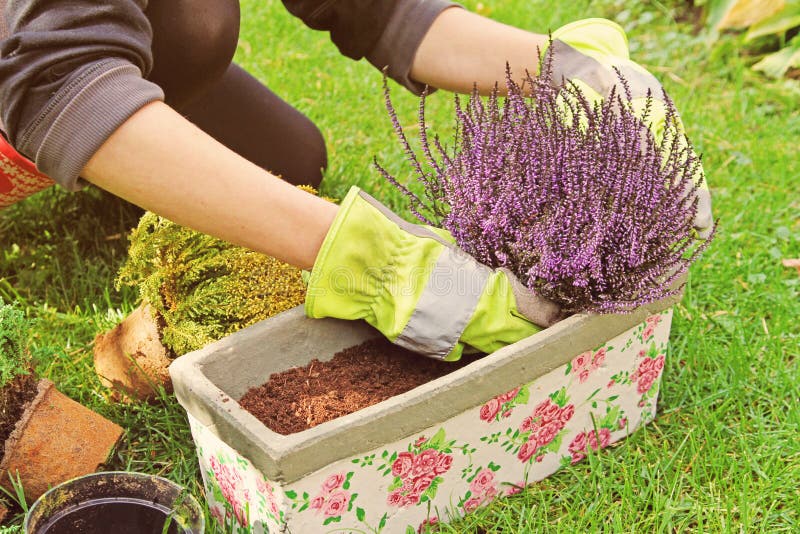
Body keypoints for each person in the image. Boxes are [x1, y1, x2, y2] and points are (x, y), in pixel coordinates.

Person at [0, 1, 711, 361]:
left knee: (288, 157)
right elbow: (58, 80)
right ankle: (100, 146)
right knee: (185, 29)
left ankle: (121, 141)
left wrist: (574, 71)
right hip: (24, 69)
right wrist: (374, 260)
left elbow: (381, 10)